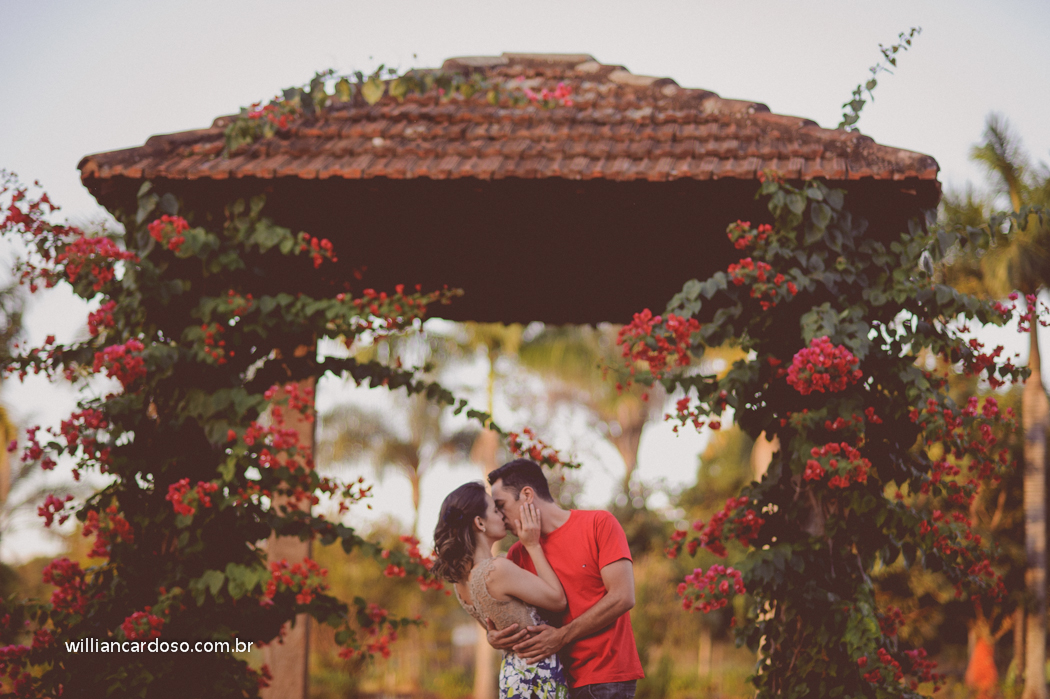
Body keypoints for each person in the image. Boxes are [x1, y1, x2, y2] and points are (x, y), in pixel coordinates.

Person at [486, 459, 644, 699]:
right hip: (549, 682)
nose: (499, 516)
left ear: (527, 495)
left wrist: (562, 636)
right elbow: (518, 616)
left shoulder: (598, 524)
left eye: (501, 505)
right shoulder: (517, 554)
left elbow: (623, 597)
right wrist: (495, 637)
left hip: (605, 678)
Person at [432, 481, 570, 699]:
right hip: (538, 675)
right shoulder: (496, 569)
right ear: (479, 522)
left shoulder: (461, 582)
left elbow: (493, 631)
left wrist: (491, 638)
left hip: (514, 677)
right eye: (495, 511)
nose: (502, 516)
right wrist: (533, 545)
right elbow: (558, 600)